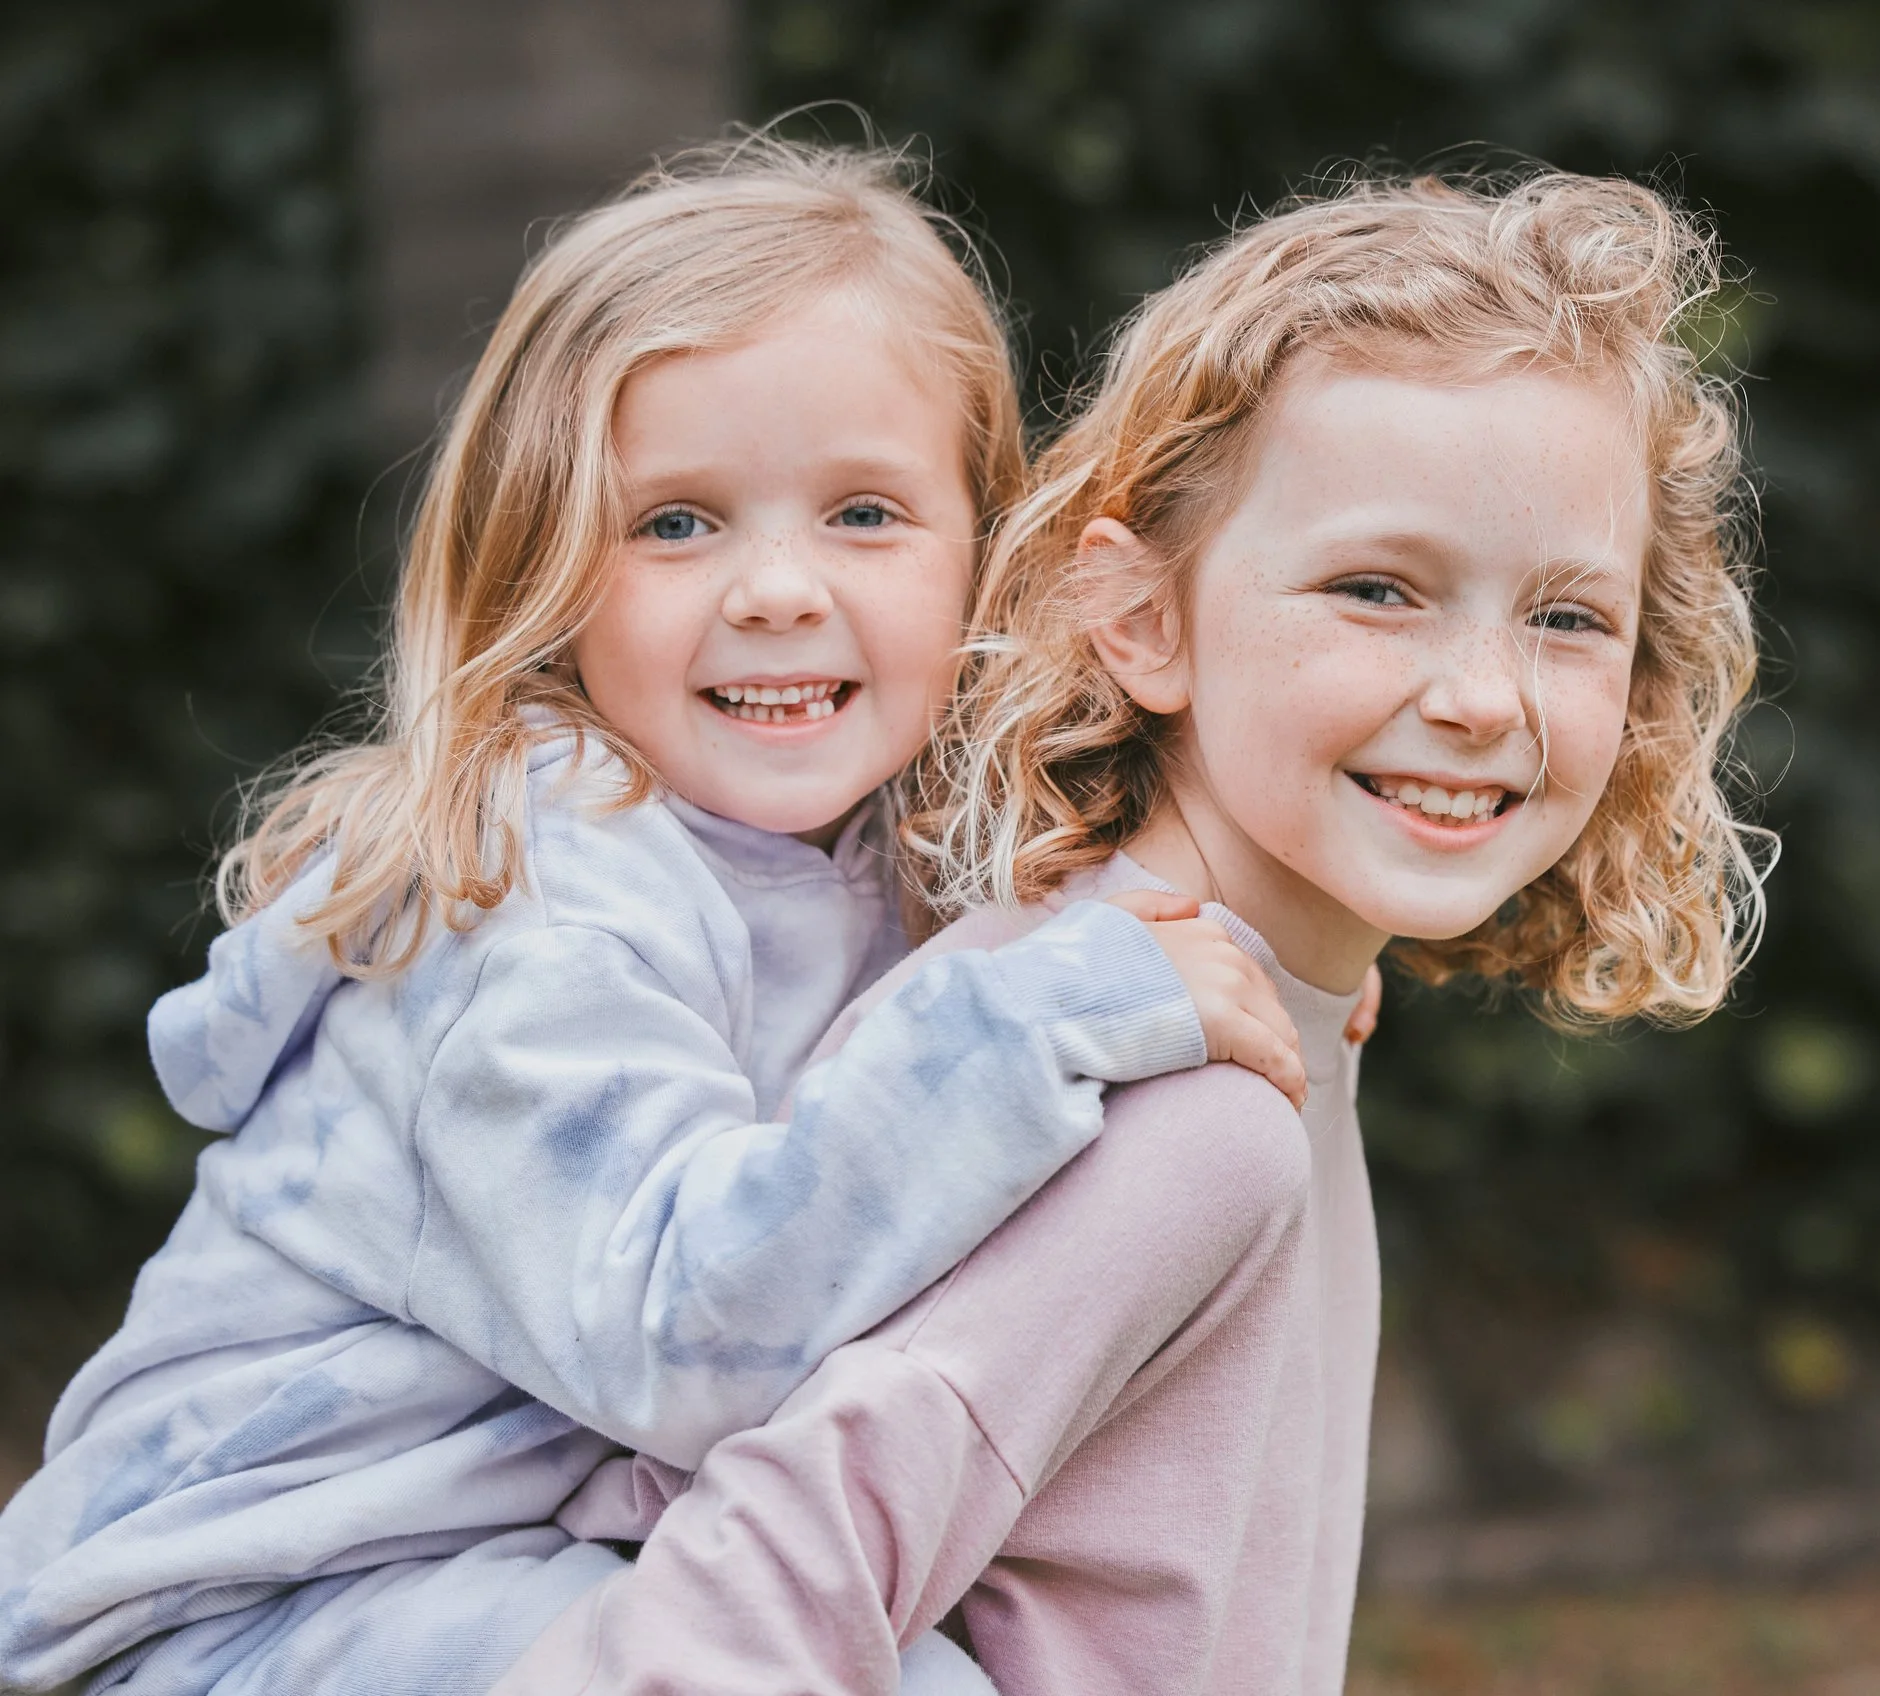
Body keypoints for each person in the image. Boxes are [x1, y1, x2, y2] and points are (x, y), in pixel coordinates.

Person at [0, 138, 1314, 1696]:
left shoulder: (889, 847)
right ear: (540, 571)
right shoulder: (529, 896)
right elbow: (694, 1342)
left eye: (866, 514)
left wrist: (1239, 938)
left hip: (514, 1568)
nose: (775, 588)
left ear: (985, 553)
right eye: (678, 524)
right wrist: (1054, 1011)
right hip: (252, 1606)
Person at [492, 165, 1768, 1696]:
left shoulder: (1240, 1003)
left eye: (1567, 617)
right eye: (1379, 589)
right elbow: (743, 1597)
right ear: (1145, 620)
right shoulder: (1162, 1098)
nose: (1483, 696)